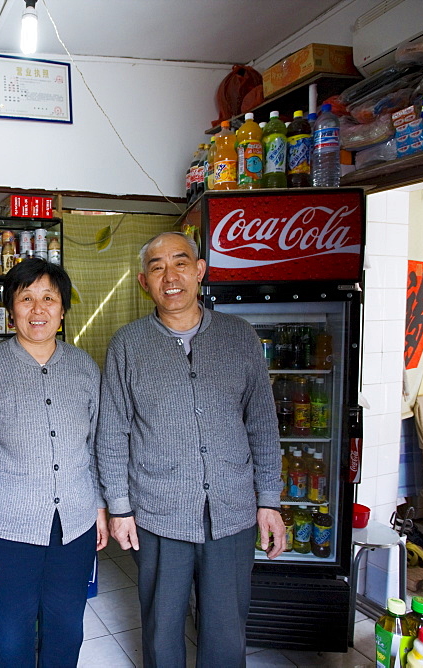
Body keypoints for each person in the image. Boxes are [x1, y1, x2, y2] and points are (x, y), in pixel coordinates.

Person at [96, 231, 285, 668]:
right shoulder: (128, 344)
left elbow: (261, 424)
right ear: (144, 282)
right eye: (157, 267)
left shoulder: (240, 338)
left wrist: (269, 500)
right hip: (159, 512)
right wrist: (120, 508)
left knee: (225, 630)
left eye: (180, 262)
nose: (170, 275)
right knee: (162, 631)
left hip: (233, 509)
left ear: (200, 271)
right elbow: (112, 433)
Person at [0, 258, 109, 667]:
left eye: (48, 299)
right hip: (7, 531)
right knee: (10, 635)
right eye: (26, 298)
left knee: (67, 629)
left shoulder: (84, 367)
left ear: (63, 309)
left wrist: (100, 508)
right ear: (10, 309)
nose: (38, 310)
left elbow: (96, 447)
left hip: (75, 528)